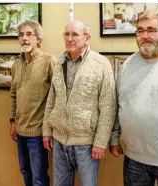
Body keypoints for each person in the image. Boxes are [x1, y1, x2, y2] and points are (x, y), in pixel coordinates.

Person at [42, 21, 116, 186]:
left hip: (87, 145)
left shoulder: (101, 64)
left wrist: (100, 142)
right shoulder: (60, 63)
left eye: (74, 34)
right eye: (66, 34)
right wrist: (47, 130)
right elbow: (51, 99)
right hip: (59, 141)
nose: (69, 38)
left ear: (87, 38)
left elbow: (108, 106)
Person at [110, 10, 158, 186]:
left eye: (151, 30)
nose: (145, 36)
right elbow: (117, 104)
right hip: (134, 159)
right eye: (140, 30)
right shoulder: (127, 65)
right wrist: (114, 138)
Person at [9, 20, 58, 186]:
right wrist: (12, 121)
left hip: (38, 133)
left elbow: (59, 96)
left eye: (29, 34)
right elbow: (13, 95)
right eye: (21, 35)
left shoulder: (49, 61)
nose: (24, 38)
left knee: (39, 178)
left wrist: (49, 129)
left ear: (38, 39)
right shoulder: (16, 64)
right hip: (20, 130)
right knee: (25, 171)